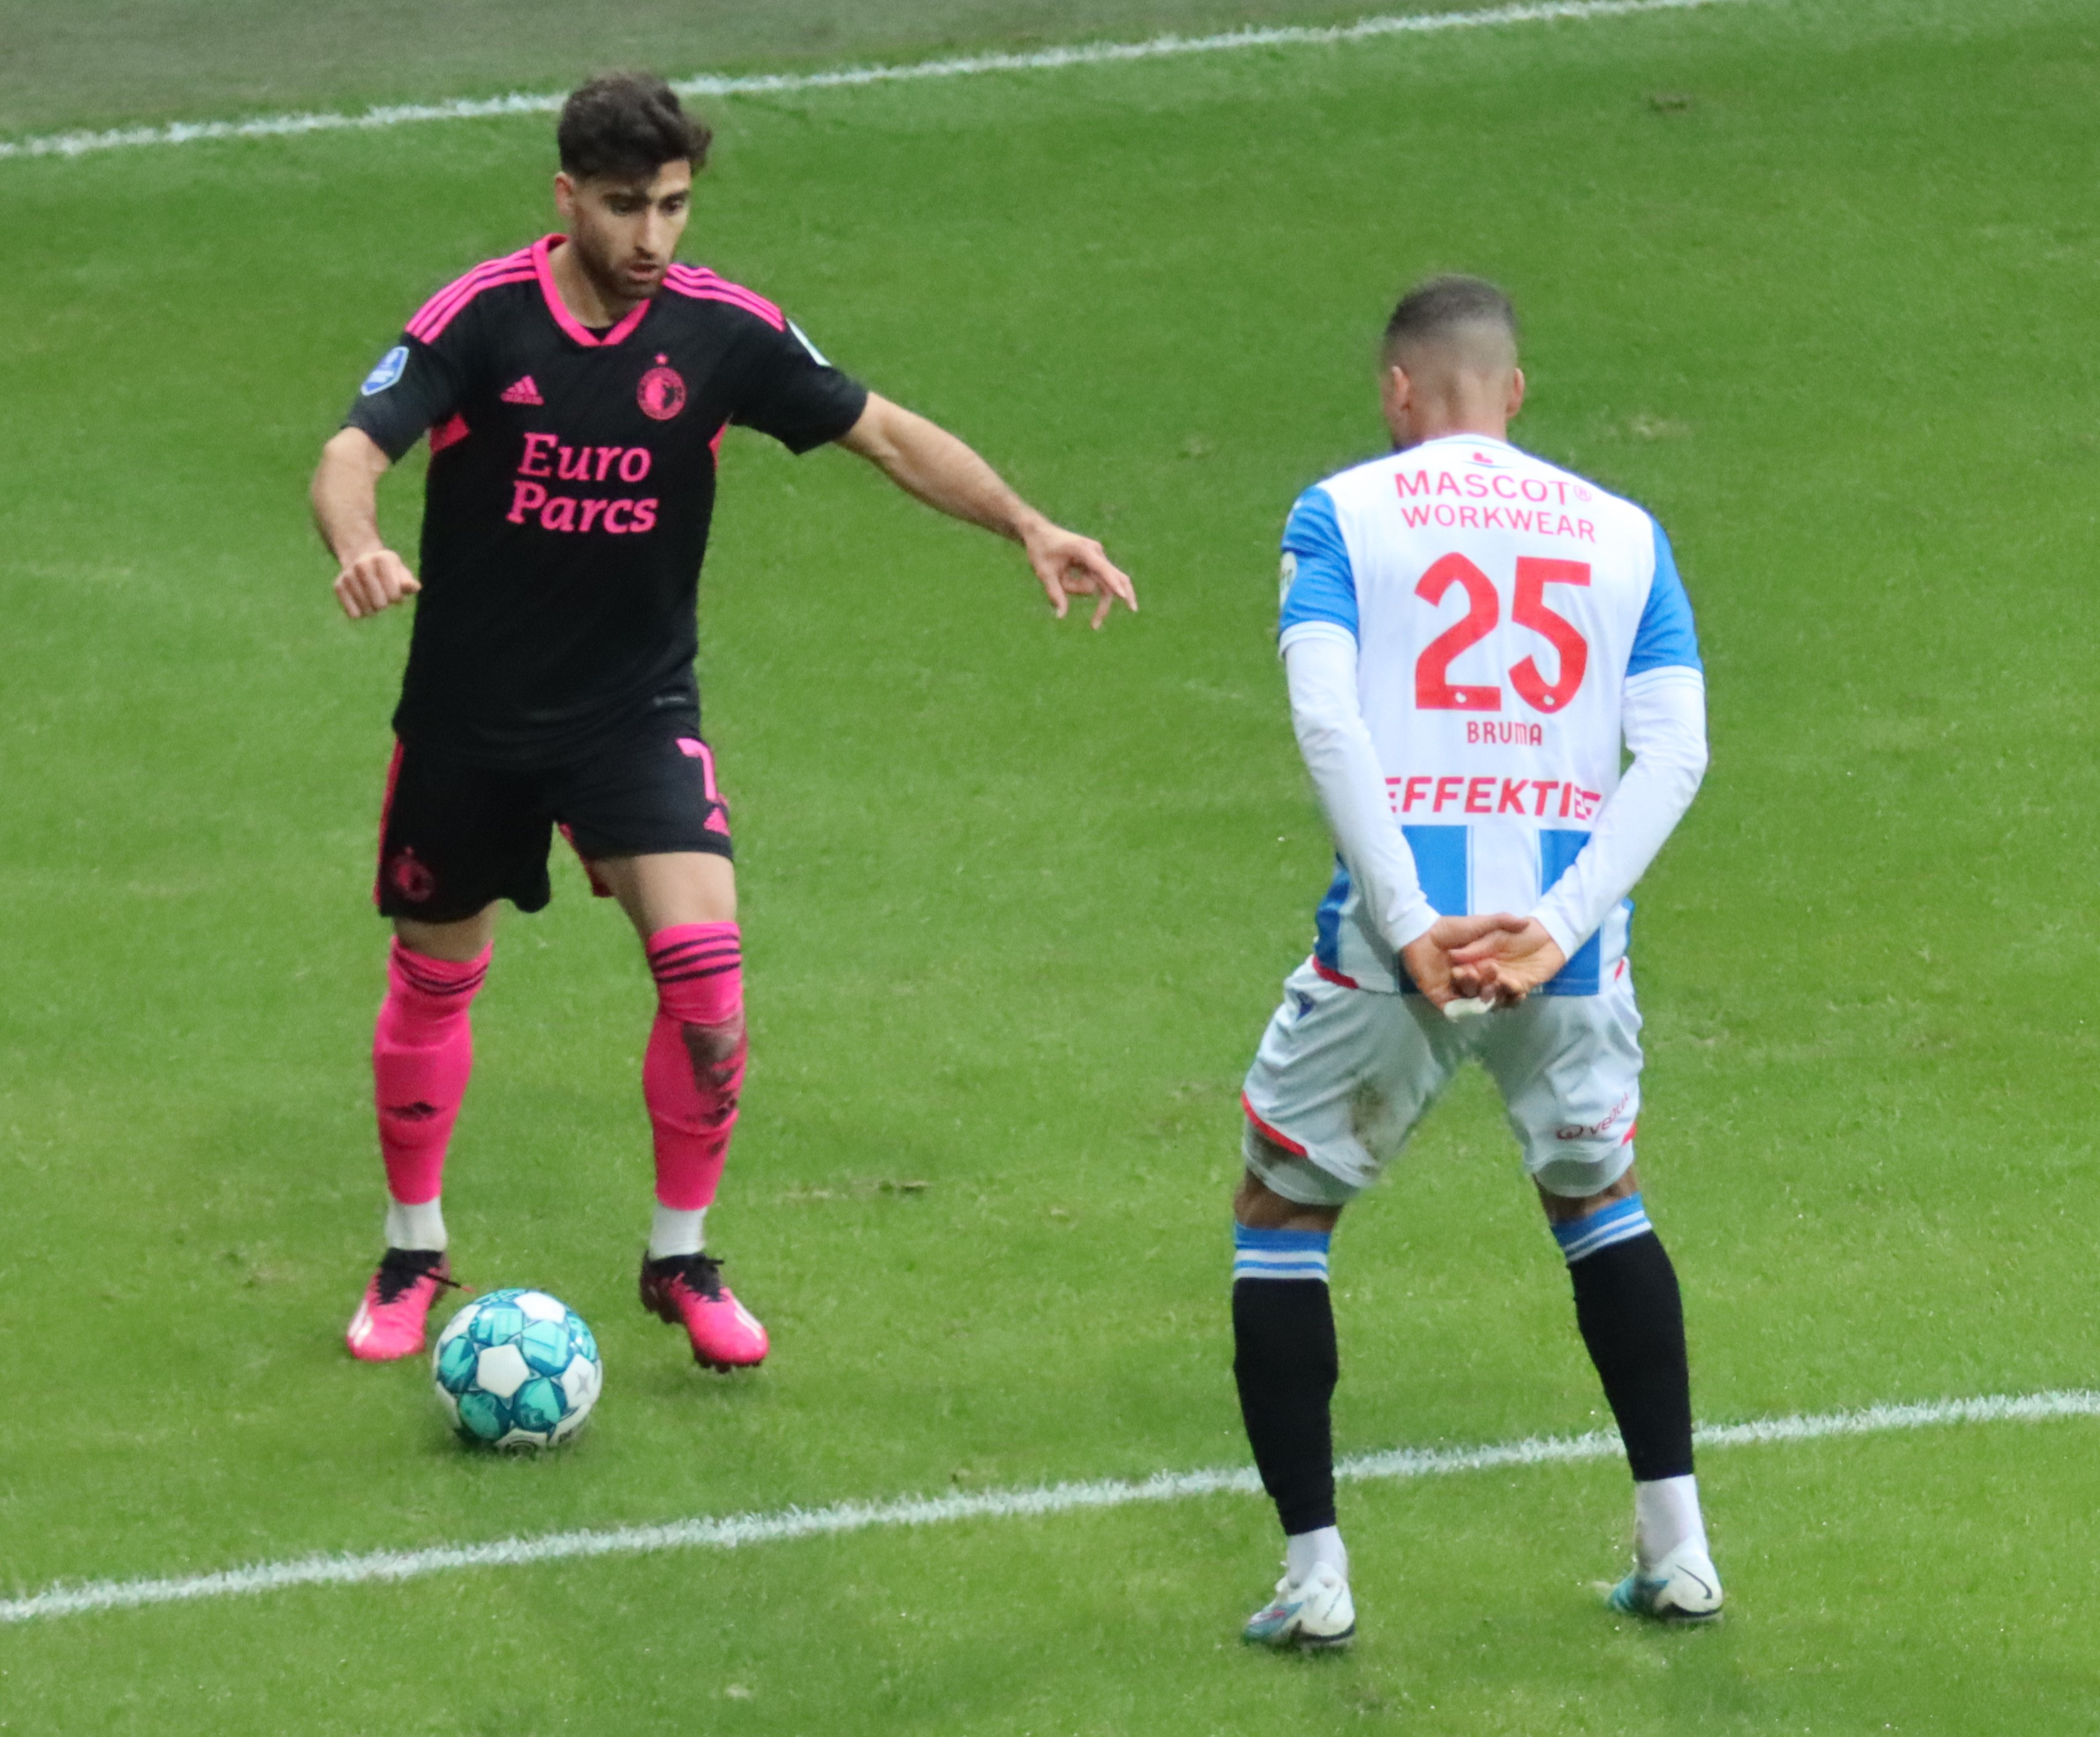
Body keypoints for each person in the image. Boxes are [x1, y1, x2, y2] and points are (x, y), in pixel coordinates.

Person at [313, 72, 1135, 1375]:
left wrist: (1028, 521)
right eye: (628, 208)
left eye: (677, 207)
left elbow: (886, 433)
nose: (654, 239)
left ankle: (681, 1256)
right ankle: (414, 1249)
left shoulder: (721, 332)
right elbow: (352, 452)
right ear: (567, 196)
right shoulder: (481, 320)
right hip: (472, 723)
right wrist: (357, 545)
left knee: (709, 982)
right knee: (433, 974)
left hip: (634, 714)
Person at [1229, 276, 1715, 1648]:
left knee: (1279, 1217)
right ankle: (1679, 1549)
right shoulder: (1627, 532)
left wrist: (1404, 915)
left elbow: (1329, 723)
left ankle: (1317, 1578)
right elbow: (1676, 752)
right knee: (1599, 1195)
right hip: (1565, 958)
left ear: (1398, 391)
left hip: (1399, 953)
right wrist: (1559, 922)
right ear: (1513, 393)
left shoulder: (1339, 511)